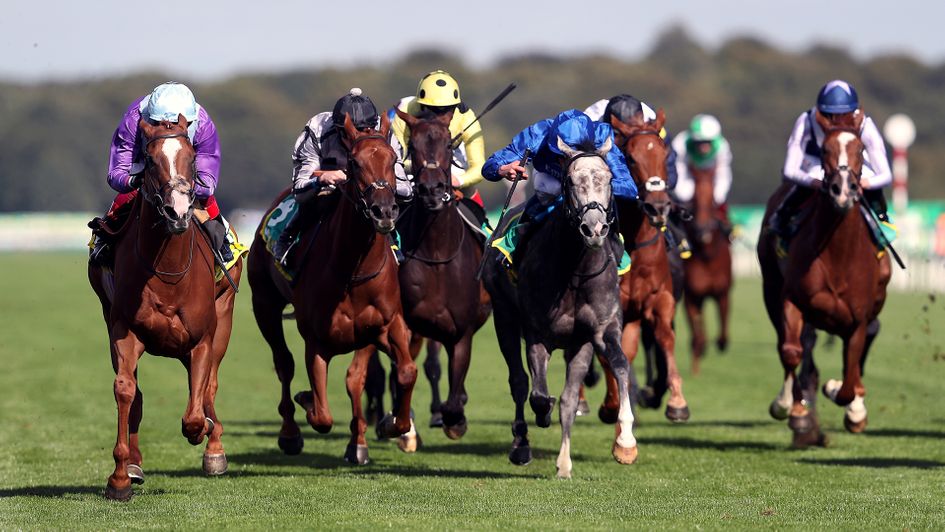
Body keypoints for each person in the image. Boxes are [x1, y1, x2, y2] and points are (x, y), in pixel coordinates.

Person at [89, 81, 231, 266]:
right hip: (147, 164)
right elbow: (116, 173)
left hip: (185, 170)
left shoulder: (203, 124)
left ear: (190, 120)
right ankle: (104, 240)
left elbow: (207, 181)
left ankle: (225, 242)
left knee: (207, 198)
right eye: (158, 123)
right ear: (150, 118)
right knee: (126, 196)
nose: (168, 128)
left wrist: (182, 187)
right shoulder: (134, 119)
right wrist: (136, 180)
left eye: (179, 124)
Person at [482, 109, 637, 267]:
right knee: (551, 189)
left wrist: (598, 182)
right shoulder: (538, 134)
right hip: (551, 180)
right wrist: (502, 170)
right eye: (563, 155)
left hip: (588, 188)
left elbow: (630, 189)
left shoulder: (601, 140)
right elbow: (489, 167)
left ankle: (616, 249)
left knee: (601, 199)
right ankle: (516, 247)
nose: (568, 161)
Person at [271, 88, 409, 264]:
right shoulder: (318, 128)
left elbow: (407, 191)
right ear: (338, 129)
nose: (356, 138)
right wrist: (321, 179)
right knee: (319, 196)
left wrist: (381, 184)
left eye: (365, 131)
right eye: (350, 133)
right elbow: (299, 188)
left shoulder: (385, 134)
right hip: (327, 188)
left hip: (367, 192)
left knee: (382, 199)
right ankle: (287, 239)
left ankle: (392, 242)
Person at [770, 79, 893, 238]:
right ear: (820, 112)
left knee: (869, 179)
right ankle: (782, 218)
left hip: (853, 165)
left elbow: (885, 175)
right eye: (829, 116)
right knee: (812, 175)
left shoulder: (865, 125)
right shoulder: (806, 121)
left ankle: (882, 219)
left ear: (853, 112)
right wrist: (814, 182)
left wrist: (865, 183)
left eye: (844, 115)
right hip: (817, 161)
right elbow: (789, 170)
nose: (837, 121)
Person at [586, 94, 692, 256]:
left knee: (664, 201)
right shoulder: (590, 123)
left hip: (643, 184)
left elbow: (669, 166)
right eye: (618, 134)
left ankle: (675, 235)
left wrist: (659, 189)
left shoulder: (653, 126)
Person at [391, 69, 487, 209]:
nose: (439, 117)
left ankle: (484, 228)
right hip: (415, 167)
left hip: (450, 164)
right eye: (432, 109)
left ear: (455, 106)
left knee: (469, 188)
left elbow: (479, 167)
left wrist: (459, 181)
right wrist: (427, 167)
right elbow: (398, 160)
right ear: (420, 105)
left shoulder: (466, 116)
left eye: (446, 109)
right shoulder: (405, 113)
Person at [671, 114, 734, 235]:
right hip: (688, 175)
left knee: (719, 202)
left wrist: (718, 196)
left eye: (707, 142)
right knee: (682, 198)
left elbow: (723, 174)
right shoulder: (680, 144)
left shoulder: (722, 146)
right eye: (700, 142)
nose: (703, 147)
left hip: (711, 179)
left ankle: (728, 230)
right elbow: (678, 170)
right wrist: (685, 192)